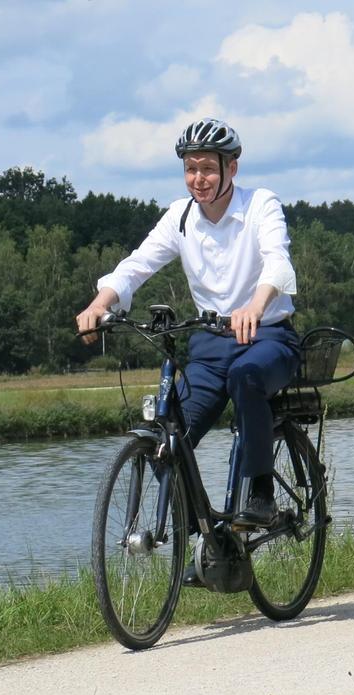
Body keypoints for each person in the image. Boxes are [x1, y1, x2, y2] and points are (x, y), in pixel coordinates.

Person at [75, 118, 300, 550]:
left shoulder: (260, 205)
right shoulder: (179, 217)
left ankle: (261, 494)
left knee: (246, 378)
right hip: (210, 344)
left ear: (231, 168)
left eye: (208, 168)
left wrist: (255, 304)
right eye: (190, 168)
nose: (199, 178)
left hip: (269, 337)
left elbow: (278, 261)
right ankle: (208, 537)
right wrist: (100, 304)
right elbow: (137, 265)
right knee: (169, 435)